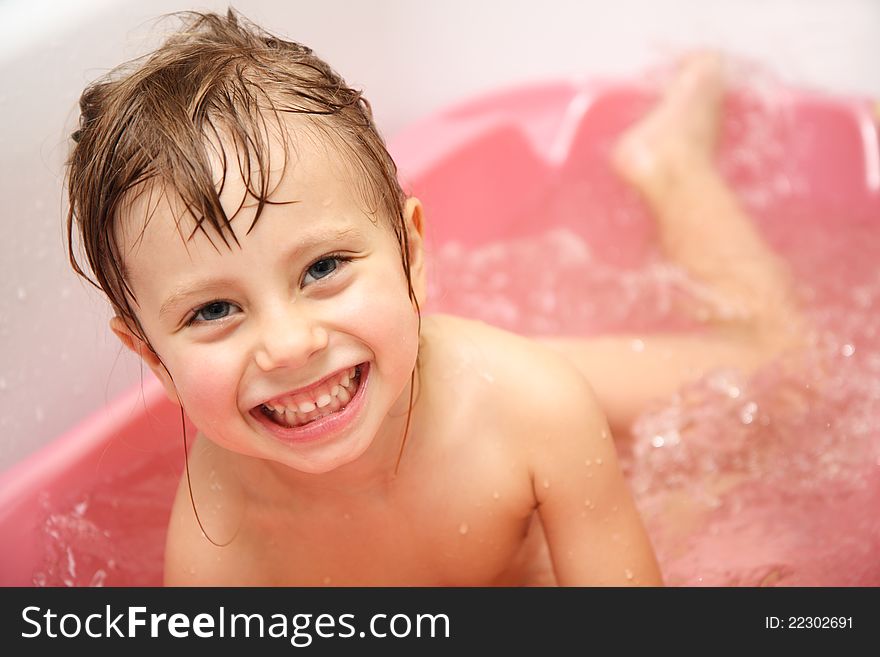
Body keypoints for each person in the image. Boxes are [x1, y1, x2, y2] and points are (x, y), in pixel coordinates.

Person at [65, 10, 799, 586]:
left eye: (322, 266)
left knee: (785, 373)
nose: (288, 344)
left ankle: (670, 166)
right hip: (408, 364)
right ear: (152, 357)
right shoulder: (216, 548)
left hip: (476, 382)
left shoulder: (533, 408)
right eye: (213, 310)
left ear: (412, 255)